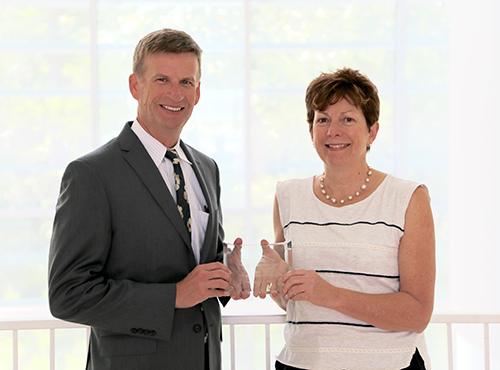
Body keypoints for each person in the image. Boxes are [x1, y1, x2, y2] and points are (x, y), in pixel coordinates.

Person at [48, 28, 250, 370]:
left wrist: (227, 274)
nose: (176, 93)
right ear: (135, 86)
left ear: (198, 92)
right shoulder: (92, 174)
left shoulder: (206, 167)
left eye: (186, 82)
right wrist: (174, 296)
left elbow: (194, 254)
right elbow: (68, 294)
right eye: (162, 79)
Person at [253, 68, 435, 370]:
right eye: (322, 119)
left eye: (347, 119)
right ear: (311, 129)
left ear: (372, 131)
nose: (332, 130)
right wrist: (277, 279)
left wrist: (331, 295)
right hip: (302, 363)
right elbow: (295, 302)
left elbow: (417, 312)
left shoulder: (407, 197)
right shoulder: (288, 196)